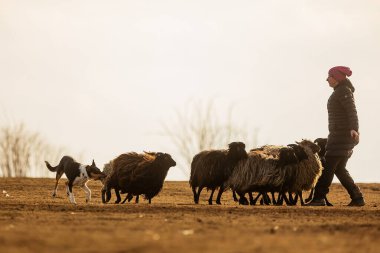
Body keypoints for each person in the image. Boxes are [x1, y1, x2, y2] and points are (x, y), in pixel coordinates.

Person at [307, 66, 365, 207]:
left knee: (327, 167)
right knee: (339, 169)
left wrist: (354, 129)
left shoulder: (343, 91)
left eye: (329, 76)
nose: (327, 79)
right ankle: (357, 198)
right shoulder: (341, 91)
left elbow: (352, 111)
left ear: (337, 78)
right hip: (340, 135)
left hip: (341, 136)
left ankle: (319, 198)